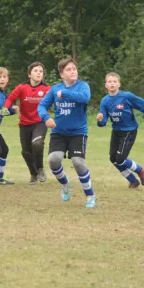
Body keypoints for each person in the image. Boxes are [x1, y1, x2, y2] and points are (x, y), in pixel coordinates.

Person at [38, 58, 96, 208]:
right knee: (53, 160)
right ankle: (65, 185)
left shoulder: (83, 86)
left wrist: (65, 93)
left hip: (78, 132)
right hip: (58, 132)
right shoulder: (55, 89)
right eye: (69, 69)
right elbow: (42, 106)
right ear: (62, 74)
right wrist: (46, 118)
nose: (73, 72)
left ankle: (90, 195)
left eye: (74, 69)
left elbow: (85, 98)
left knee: (78, 162)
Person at [97, 72, 144, 189]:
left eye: (114, 81)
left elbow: (142, 104)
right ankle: (133, 181)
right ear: (106, 85)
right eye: (109, 82)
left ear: (119, 84)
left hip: (129, 131)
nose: (112, 84)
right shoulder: (105, 101)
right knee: (113, 158)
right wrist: (100, 120)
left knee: (120, 159)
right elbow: (103, 123)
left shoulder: (126, 96)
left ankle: (140, 170)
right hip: (116, 132)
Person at [1, 62, 51, 184]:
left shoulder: (47, 89)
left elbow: (57, 101)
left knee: (37, 144)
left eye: (41, 71)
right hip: (24, 123)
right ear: (29, 74)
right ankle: (33, 174)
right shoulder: (22, 87)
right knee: (26, 151)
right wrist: (5, 108)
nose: (39, 73)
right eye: (36, 71)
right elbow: (10, 98)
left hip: (40, 122)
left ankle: (40, 168)